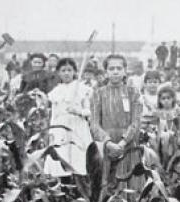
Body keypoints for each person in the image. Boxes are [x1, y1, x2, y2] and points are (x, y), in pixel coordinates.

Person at [89, 54, 144, 192]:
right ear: (106, 72)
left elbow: (136, 121)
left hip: (128, 145)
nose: (115, 71)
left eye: (119, 68)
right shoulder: (98, 93)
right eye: (111, 68)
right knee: (107, 184)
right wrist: (108, 143)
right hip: (106, 147)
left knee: (129, 184)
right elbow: (94, 124)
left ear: (125, 71)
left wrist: (123, 143)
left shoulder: (133, 93)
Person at [44, 58, 94, 178]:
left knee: (78, 159)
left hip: (77, 127)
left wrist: (78, 111)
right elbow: (54, 116)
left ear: (75, 72)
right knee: (60, 157)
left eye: (69, 70)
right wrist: (51, 132)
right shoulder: (56, 92)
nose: (66, 73)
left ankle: (79, 184)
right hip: (60, 128)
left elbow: (89, 112)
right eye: (63, 70)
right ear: (58, 73)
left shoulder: (82, 89)